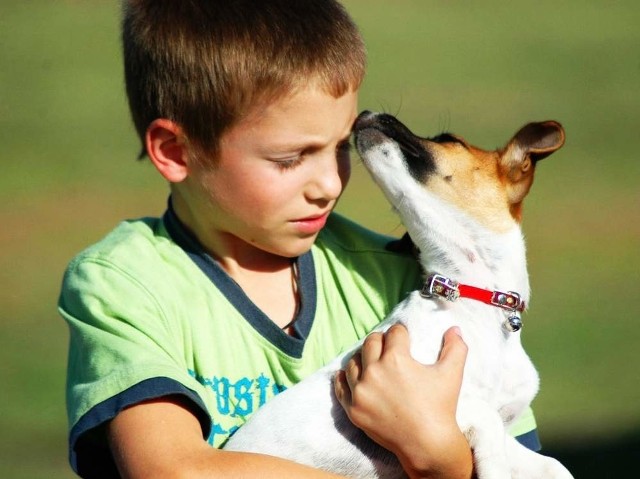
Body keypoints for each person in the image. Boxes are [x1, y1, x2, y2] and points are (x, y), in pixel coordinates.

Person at [59, 1, 539, 478]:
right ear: (175, 151)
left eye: (342, 147)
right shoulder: (124, 285)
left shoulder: (408, 279)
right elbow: (173, 472)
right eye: (290, 159)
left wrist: (442, 457)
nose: (329, 184)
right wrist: (433, 467)